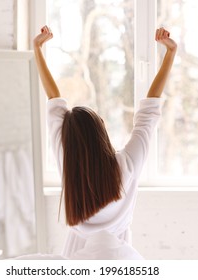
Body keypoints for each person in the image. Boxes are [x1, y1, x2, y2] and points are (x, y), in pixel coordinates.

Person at [33, 25, 177, 259]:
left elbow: (53, 99)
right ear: (101, 131)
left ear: (68, 140)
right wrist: (170, 53)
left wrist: (37, 48)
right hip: (117, 255)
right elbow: (149, 111)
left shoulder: (67, 162)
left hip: (76, 253)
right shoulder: (126, 165)